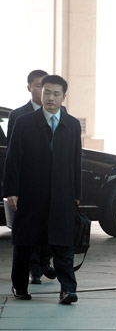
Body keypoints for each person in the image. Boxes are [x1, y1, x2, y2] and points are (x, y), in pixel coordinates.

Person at [3, 75, 82, 304]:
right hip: (30, 193)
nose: (50, 97)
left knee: (63, 243)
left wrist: (76, 193)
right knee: (25, 242)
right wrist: (11, 190)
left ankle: (68, 289)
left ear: (63, 97)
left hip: (62, 195)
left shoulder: (72, 124)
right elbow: (13, 159)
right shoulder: (25, 122)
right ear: (40, 92)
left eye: (56, 94)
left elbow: (76, 161)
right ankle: (20, 286)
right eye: (46, 92)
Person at [6, 69, 57, 285]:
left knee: (50, 227)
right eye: (39, 86)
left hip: (52, 185)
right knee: (27, 231)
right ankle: (32, 270)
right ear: (30, 88)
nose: (46, 93)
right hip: (28, 185)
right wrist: (12, 189)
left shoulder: (59, 113)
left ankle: (43, 263)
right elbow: (13, 154)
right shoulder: (18, 116)